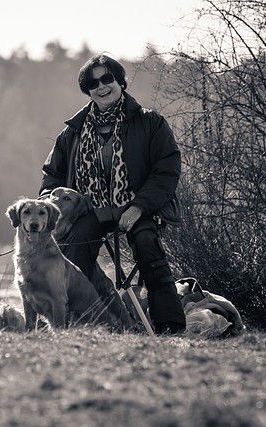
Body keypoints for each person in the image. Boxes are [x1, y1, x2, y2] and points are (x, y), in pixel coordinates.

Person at [39, 53, 186, 334]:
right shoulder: (73, 131)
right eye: (93, 83)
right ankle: (70, 323)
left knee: (146, 242)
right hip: (89, 211)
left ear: (120, 82)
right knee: (73, 253)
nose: (101, 86)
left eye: (108, 78)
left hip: (137, 207)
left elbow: (166, 172)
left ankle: (169, 324)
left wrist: (140, 206)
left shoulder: (151, 123)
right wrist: (53, 203)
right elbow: (51, 176)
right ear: (88, 90)